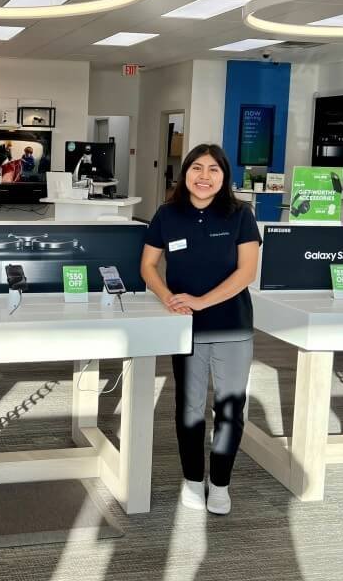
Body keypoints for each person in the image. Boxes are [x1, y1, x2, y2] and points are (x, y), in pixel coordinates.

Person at [140, 143, 261, 516]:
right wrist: (169, 298)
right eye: (197, 168)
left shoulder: (240, 215)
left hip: (231, 325)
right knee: (189, 408)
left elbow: (246, 273)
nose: (204, 176)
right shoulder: (167, 214)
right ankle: (193, 479)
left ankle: (220, 483)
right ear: (186, 172)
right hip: (184, 327)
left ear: (224, 177)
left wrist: (201, 301)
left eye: (213, 170)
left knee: (229, 407)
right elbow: (148, 265)